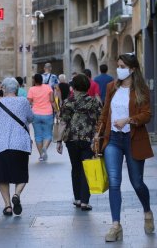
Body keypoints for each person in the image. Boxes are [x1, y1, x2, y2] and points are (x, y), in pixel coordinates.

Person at [94, 53, 154, 242]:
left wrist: (129, 120)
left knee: (137, 183)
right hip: (113, 140)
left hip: (133, 139)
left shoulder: (141, 89)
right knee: (114, 182)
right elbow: (105, 113)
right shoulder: (112, 87)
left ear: (132, 69)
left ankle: (147, 212)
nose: (119, 69)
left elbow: (147, 115)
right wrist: (98, 132)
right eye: (118, 65)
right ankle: (115, 225)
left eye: (122, 66)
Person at [0, 78, 33, 216]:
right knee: (22, 175)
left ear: (4, 89)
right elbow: (31, 118)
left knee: (3, 177)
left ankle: (7, 206)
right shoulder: (23, 102)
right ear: (17, 89)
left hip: (1, 145)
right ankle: (17, 194)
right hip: (20, 145)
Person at [56, 74, 101, 211]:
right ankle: (85, 202)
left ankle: (77, 198)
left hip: (72, 139)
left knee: (75, 168)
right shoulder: (94, 102)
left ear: (73, 87)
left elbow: (63, 123)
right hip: (88, 139)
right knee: (86, 168)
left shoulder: (68, 102)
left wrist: (59, 141)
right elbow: (99, 121)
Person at [27, 74, 56, 161]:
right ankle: (45, 148)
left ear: (34, 81)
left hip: (35, 114)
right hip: (47, 113)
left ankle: (41, 155)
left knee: (38, 136)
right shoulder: (48, 88)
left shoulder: (31, 89)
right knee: (48, 134)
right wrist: (58, 111)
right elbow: (52, 101)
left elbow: (29, 102)